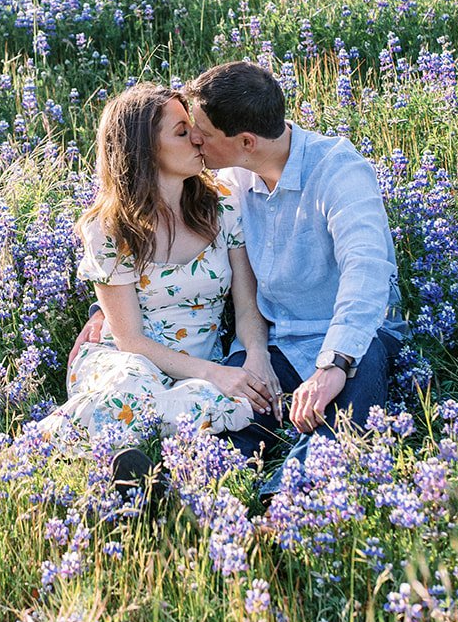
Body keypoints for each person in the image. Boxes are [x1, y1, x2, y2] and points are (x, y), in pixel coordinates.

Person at [75, 62, 405, 490]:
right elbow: (135, 230)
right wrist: (108, 313)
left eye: (203, 133)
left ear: (245, 142)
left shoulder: (338, 172)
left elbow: (367, 273)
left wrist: (333, 364)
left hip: (351, 335)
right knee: (237, 416)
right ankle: (166, 494)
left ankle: (285, 504)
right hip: (274, 339)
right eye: (188, 130)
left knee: (349, 393)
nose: (196, 137)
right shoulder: (230, 181)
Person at [25, 83, 279, 487]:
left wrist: (256, 357)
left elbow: (247, 306)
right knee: (133, 381)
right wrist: (215, 373)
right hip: (124, 360)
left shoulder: (225, 205)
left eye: (193, 126)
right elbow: (131, 342)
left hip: (194, 368)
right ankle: (32, 454)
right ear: (144, 150)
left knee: (235, 401)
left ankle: (129, 474)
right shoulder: (107, 228)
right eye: (181, 132)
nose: (197, 137)